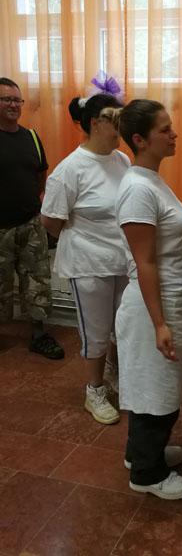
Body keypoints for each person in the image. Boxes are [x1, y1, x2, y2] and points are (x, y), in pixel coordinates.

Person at [115, 99, 182, 500]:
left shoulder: (150, 180)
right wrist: (160, 323)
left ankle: (141, 454)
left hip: (169, 302)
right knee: (156, 388)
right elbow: (144, 262)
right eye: (164, 129)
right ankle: (147, 475)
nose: (173, 133)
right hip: (154, 307)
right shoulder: (137, 190)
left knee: (158, 384)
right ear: (140, 139)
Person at [41, 92, 129, 425]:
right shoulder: (70, 169)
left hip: (122, 259)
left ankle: (115, 374)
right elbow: (51, 220)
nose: (121, 127)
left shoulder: (122, 161)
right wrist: (86, 238)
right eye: (115, 120)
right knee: (96, 331)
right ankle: (95, 390)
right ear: (95, 123)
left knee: (122, 325)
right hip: (88, 263)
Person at [0, 77, 64, 359]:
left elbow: (41, 174)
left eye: (17, 100)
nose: (13, 105)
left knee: (38, 281)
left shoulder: (32, 138)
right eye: (6, 99)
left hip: (30, 223)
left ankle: (39, 335)